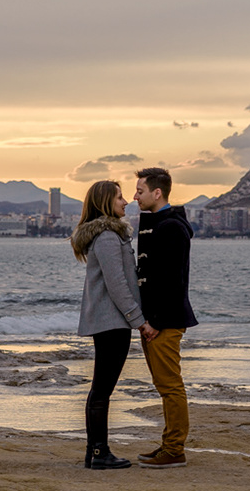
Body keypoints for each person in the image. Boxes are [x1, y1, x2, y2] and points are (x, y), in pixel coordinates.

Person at [70, 180, 160, 470]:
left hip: (110, 321)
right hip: (112, 322)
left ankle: (95, 452)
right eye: (120, 198)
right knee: (101, 389)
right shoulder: (108, 236)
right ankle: (99, 453)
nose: (126, 202)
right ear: (105, 203)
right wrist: (140, 321)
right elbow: (118, 285)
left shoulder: (109, 234)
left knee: (100, 389)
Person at [133, 166, 198, 469]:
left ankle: (174, 449)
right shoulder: (158, 222)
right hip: (157, 321)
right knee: (164, 385)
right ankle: (169, 445)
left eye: (140, 191)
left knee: (170, 386)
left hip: (165, 322)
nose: (135, 196)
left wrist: (155, 322)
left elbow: (172, 281)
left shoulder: (170, 227)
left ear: (157, 193)